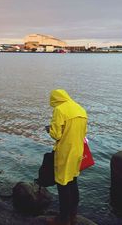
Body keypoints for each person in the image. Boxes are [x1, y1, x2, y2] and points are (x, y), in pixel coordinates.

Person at [47, 89, 88, 225]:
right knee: (73, 181)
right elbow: (84, 132)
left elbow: (57, 135)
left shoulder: (60, 110)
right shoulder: (81, 109)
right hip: (78, 152)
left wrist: (49, 130)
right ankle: (73, 215)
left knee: (63, 185)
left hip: (65, 153)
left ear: (56, 99)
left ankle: (63, 219)